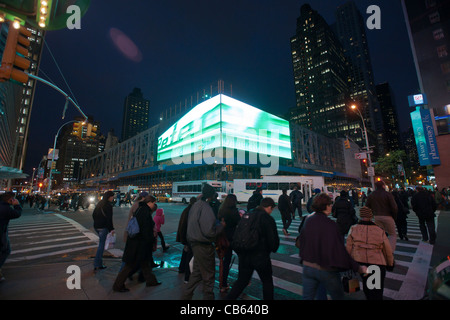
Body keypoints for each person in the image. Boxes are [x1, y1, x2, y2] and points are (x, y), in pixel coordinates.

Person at [298, 193, 367, 300]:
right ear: (325, 206)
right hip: (326, 269)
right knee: (338, 296)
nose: (331, 206)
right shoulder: (330, 225)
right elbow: (339, 250)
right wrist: (357, 267)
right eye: (330, 204)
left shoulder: (308, 220)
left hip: (308, 267)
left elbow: (302, 241)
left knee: (308, 297)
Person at [226, 197, 280, 300]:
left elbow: (237, 235)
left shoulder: (248, 214)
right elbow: (273, 242)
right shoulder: (267, 218)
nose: (271, 211)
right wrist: (271, 248)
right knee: (267, 282)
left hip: (244, 255)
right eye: (271, 209)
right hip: (261, 256)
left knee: (241, 282)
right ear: (269, 207)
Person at [182, 184, 225, 300]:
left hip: (194, 244)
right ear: (211, 195)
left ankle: (186, 296)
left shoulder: (195, 205)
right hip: (203, 245)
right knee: (208, 276)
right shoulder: (206, 208)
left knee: (196, 273)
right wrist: (221, 226)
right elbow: (209, 231)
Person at [113, 195, 161, 292]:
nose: (155, 205)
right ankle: (117, 285)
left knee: (145, 264)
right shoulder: (145, 211)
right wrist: (150, 241)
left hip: (137, 242)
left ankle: (151, 281)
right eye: (154, 203)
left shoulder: (140, 209)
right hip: (138, 244)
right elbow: (146, 229)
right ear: (150, 202)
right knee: (130, 266)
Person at [346, 206, 394, 300]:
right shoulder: (379, 230)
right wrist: (390, 263)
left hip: (360, 263)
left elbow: (348, 247)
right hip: (376, 263)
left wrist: (349, 263)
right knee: (376, 291)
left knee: (367, 287)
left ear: (360, 216)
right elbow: (387, 250)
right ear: (371, 217)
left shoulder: (353, 229)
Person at [217, 194, 241, 293]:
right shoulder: (235, 211)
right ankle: (243, 280)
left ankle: (223, 284)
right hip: (233, 238)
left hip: (223, 238)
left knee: (225, 262)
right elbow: (239, 223)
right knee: (242, 257)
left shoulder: (221, 210)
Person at [365, 180, 398, 251]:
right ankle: (390, 251)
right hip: (387, 216)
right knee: (392, 234)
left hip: (376, 216)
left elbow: (367, 206)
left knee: (380, 234)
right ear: (383, 186)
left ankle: (380, 249)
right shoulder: (388, 194)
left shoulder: (372, 195)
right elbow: (394, 207)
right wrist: (394, 216)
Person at [0, 192, 22, 282]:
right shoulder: (6, 208)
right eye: (13, 199)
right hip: (1, 232)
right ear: (10, 200)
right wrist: (17, 205)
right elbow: (17, 214)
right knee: (6, 250)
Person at [92, 191, 115, 271]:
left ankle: (97, 263)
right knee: (101, 246)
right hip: (103, 227)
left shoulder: (100, 203)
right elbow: (109, 219)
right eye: (112, 196)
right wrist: (111, 229)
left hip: (96, 226)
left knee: (101, 244)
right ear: (109, 197)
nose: (113, 198)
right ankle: (98, 264)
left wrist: (97, 221)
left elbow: (93, 214)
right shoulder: (108, 206)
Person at [176, 197, 197, 283]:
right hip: (188, 236)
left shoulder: (187, 210)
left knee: (185, 253)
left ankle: (182, 269)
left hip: (185, 235)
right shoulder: (191, 211)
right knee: (189, 254)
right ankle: (187, 275)